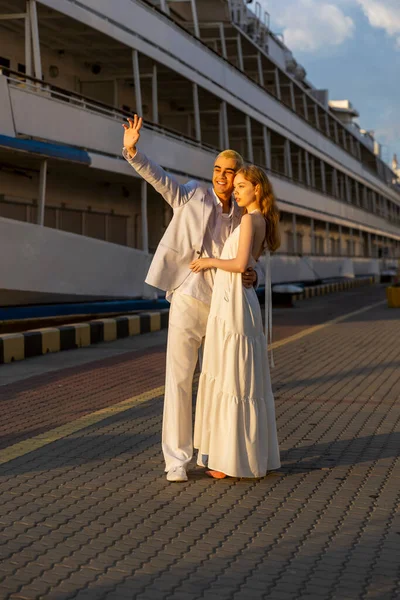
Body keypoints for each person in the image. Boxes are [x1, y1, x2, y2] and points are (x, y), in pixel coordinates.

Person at [122, 115, 263, 482]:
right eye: (217, 168)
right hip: (188, 295)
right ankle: (176, 459)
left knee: (216, 381)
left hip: (223, 306)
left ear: (238, 177)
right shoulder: (194, 194)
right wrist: (133, 151)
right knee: (180, 379)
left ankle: (213, 452)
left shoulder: (244, 215)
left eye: (228, 171)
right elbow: (160, 179)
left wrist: (253, 273)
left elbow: (250, 259)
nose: (220, 175)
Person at [190, 165, 281, 479]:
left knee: (231, 376)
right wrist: (250, 274)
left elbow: (241, 263)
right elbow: (250, 267)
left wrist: (208, 261)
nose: (236, 191)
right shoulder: (262, 221)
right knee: (242, 378)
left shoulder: (247, 220)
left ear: (257, 189)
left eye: (242, 186)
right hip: (241, 303)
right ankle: (241, 455)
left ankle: (228, 459)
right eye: (236, 186)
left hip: (233, 307)